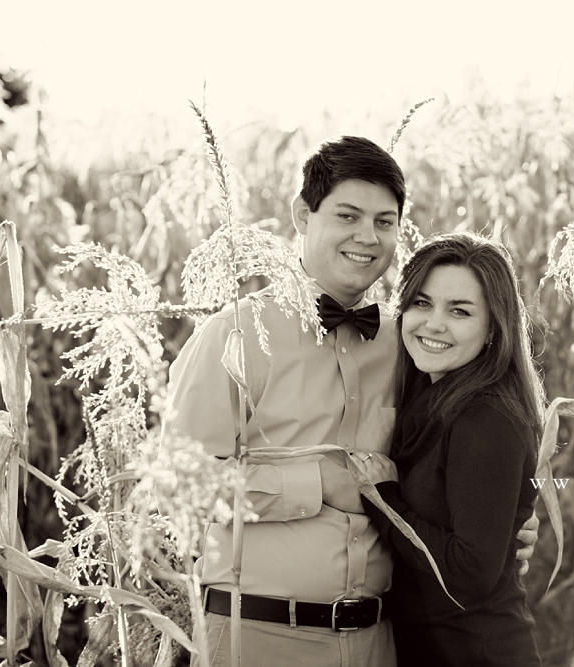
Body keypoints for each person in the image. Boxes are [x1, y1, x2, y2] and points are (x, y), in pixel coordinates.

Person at [163, 136, 536, 667]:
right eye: (348, 215)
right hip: (258, 636)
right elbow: (177, 488)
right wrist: (316, 485)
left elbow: (455, 460)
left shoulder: (409, 341)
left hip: (381, 641)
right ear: (302, 214)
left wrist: (501, 521)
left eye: (385, 222)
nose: (368, 236)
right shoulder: (236, 335)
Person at [350, 233, 544, 666]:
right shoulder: (432, 400)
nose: (434, 324)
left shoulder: (485, 417)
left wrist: (384, 499)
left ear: (494, 326)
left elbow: (470, 571)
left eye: (459, 311)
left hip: (476, 653)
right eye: (421, 303)